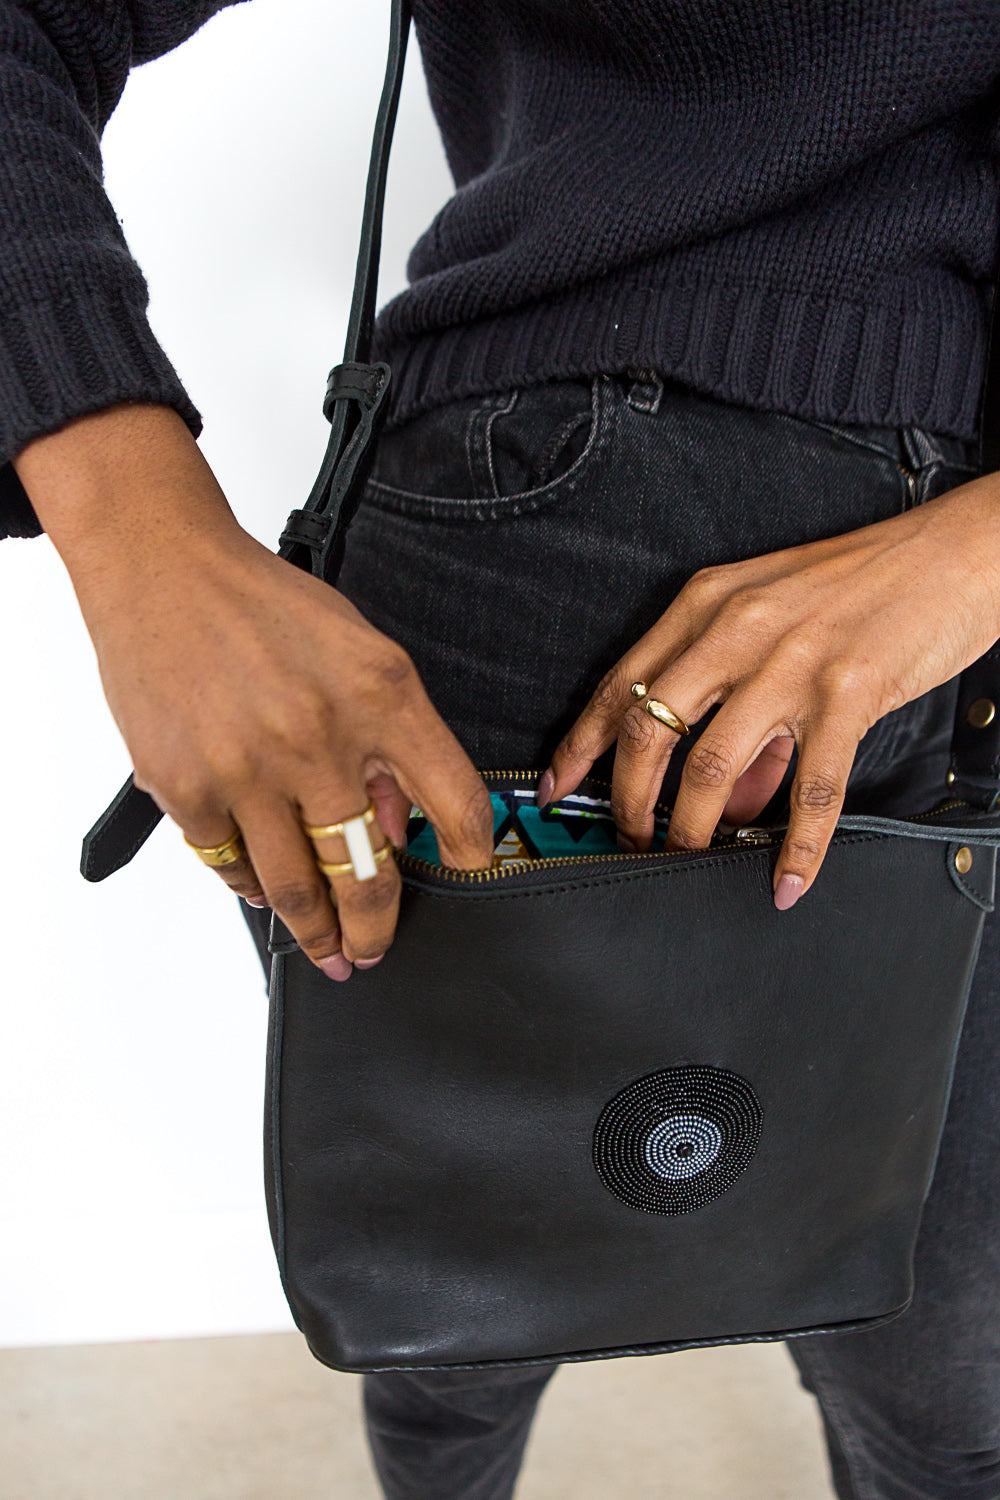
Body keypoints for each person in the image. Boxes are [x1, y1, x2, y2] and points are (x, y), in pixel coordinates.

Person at [3, 2, 1000, 1496]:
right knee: (468, 1317)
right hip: (562, 561)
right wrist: (138, 532)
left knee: (932, 1372)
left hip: (953, 626)